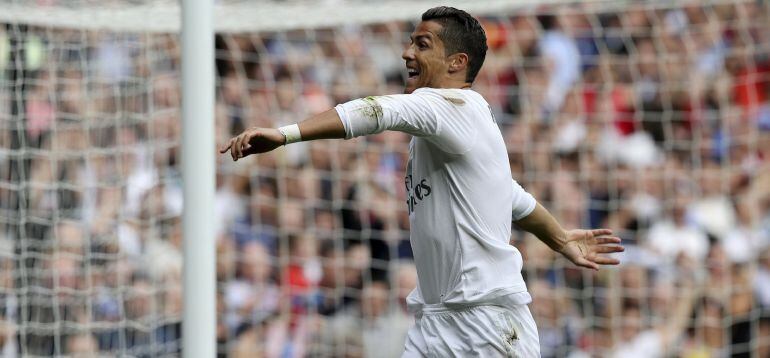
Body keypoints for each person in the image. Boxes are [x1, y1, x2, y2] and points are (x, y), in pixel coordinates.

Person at [220, 6, 624, 357]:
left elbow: (376, 110)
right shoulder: (449, 128)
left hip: (487, 323)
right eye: (411, 42)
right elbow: (513, 197)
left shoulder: (451, 106)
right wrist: (561, 238)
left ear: (456, 63)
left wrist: (287, 133)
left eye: (423, 44)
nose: (407, 52)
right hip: (435, 321)